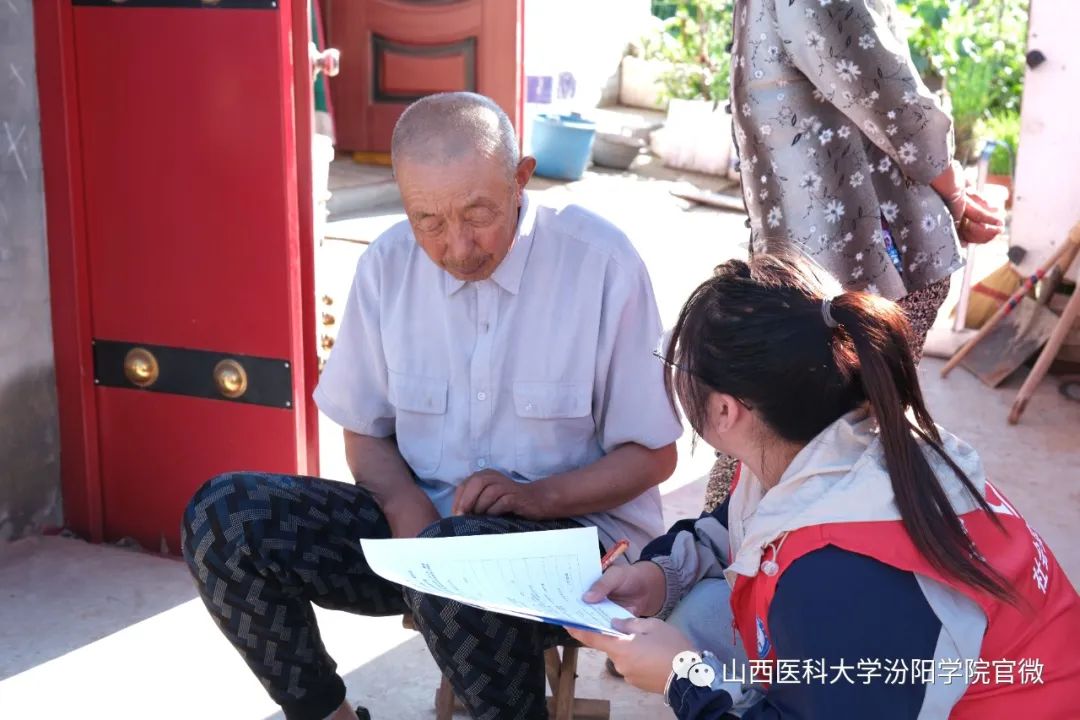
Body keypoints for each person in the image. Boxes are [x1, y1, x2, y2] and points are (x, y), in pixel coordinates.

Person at [181, 92, 682, 720]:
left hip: (572, 553)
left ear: (521, 178)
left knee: (462, 555)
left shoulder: (601, 264)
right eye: (429, 221)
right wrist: (403, 505)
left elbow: (653, 455)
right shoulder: (386, 265)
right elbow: (365, 429)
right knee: (226, 518)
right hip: (419, 538)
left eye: (478, 214)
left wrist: (538, 498)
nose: (458, 247)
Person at [569, 254, 1080, 718]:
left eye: (680, 370)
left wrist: (684, 679)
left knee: (696, 637)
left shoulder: (837, 573)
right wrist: (661, 576)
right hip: (925, 675)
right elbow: (736, 528)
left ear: (725, 411)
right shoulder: (817, 441)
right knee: (699, 611)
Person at [704, 0, 1006, 511]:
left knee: (812, 456)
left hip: (866, 270)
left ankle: (745, 552)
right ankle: (733, 551)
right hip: (825, 271)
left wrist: (954, 195)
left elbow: (891, 99)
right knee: (788, 455)